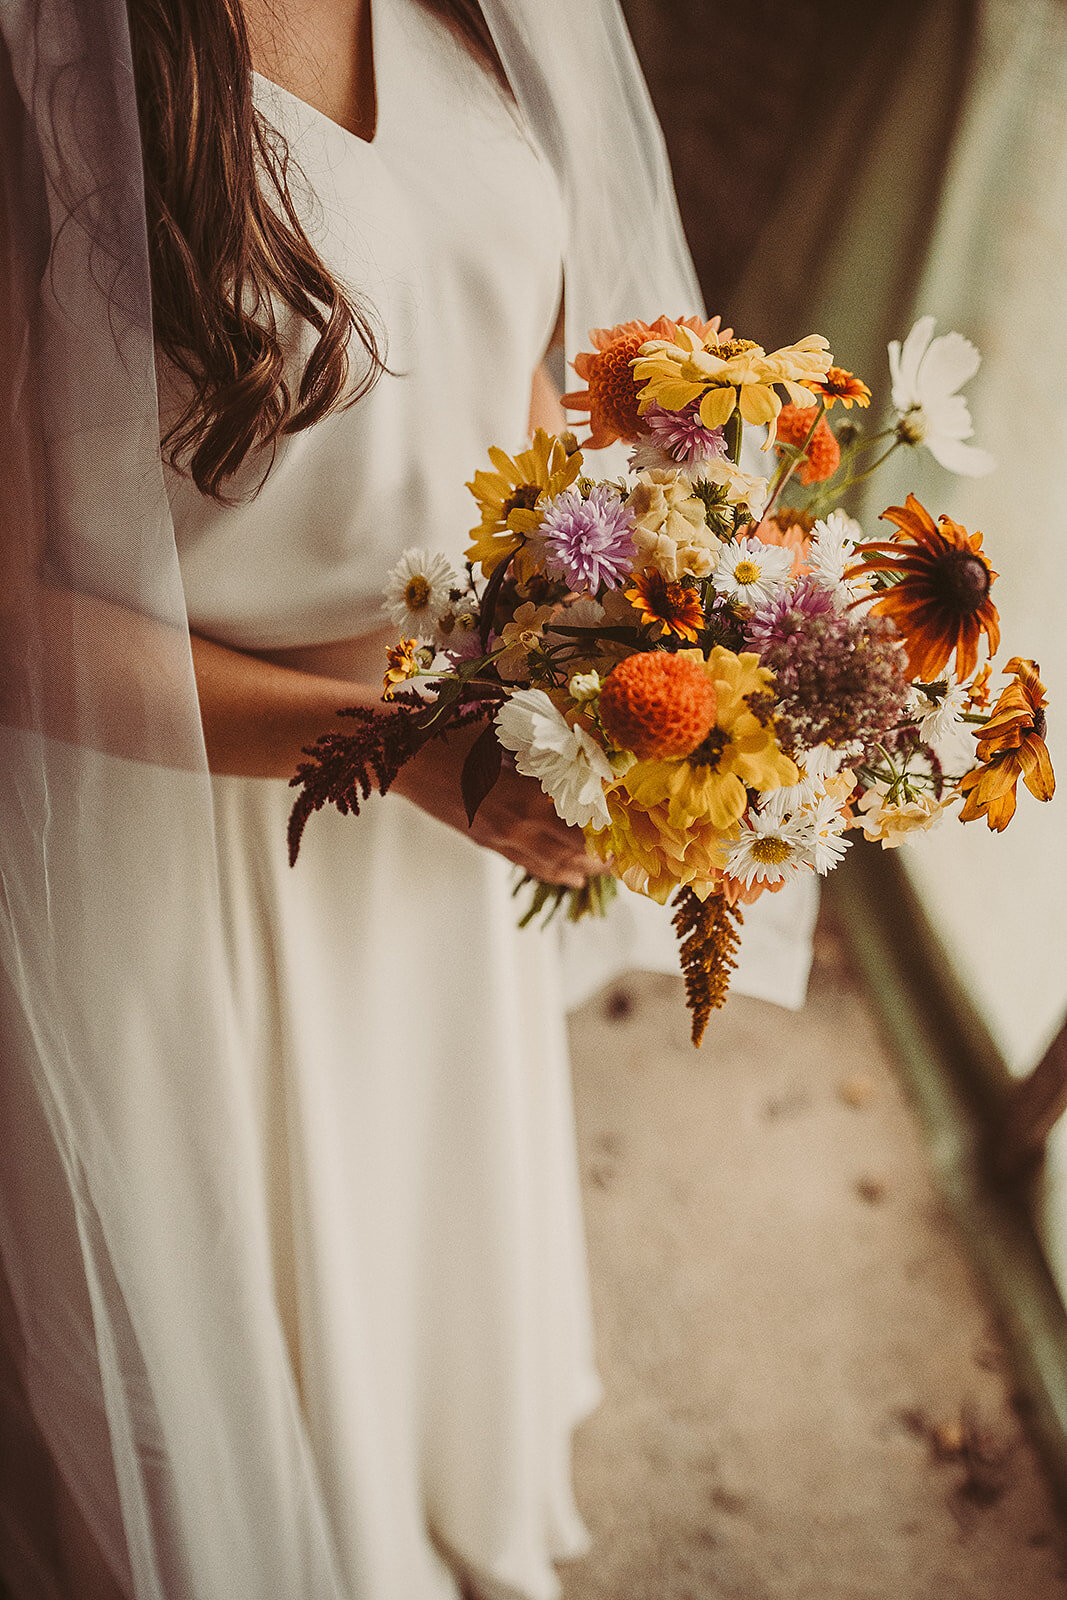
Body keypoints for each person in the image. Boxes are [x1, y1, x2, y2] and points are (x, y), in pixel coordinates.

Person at [0, 1, 720, 1596]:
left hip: (438, 787)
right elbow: (9, 610)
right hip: (176, 826)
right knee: (220, 1312)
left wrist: (621, 626)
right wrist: (391, 748)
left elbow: (493, 362)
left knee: (405, 1249)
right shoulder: (40, 58)